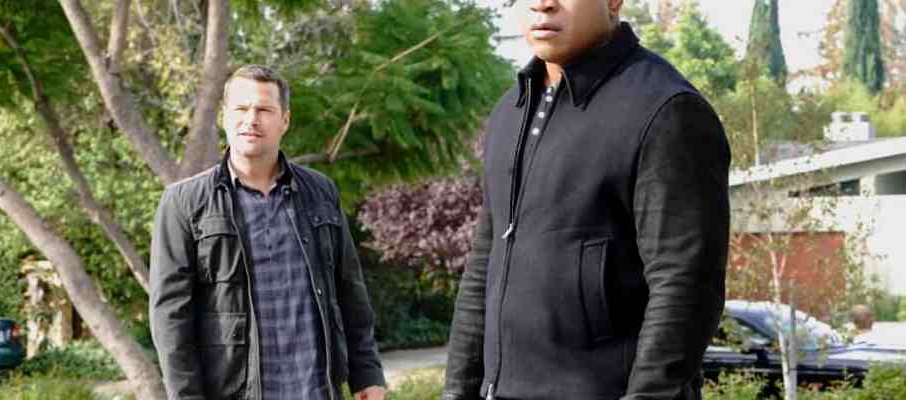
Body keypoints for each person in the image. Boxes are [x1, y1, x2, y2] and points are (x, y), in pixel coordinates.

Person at [442, 1, 730, 399]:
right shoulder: (511, 110)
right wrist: (456, 391)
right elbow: (484, 264)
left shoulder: (666, 110)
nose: (542, 4)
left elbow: (685, 285)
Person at [150, 65, 386, 400]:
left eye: (264, 110)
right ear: (224, 116)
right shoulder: (183, 203)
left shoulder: (320, 192)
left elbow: (350, 290)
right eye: (241, 108)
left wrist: (368, 374)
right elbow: (170, 318)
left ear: (284, 120)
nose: (251, 119)